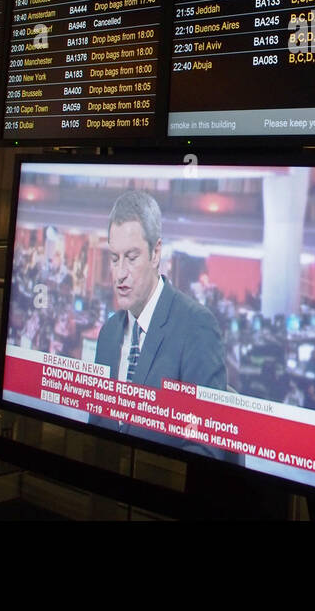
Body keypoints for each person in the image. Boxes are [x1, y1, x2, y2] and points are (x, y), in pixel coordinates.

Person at [90, 189, 228, 457]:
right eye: (114, 258)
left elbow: (206, 448)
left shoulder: (197, 327)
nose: (120, 274)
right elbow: (95, 430)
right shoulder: (108, 333)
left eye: (131, 258)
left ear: (156, 253)